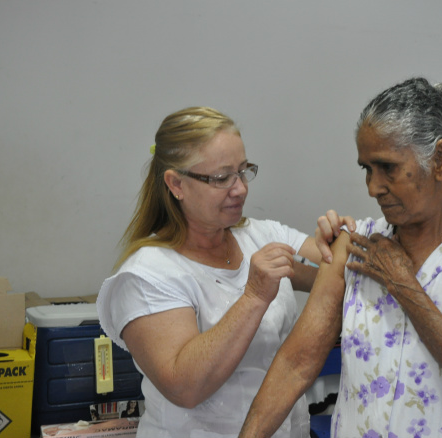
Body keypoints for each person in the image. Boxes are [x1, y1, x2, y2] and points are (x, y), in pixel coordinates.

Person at [239, 78, 442, 438]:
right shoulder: (356, 245)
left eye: (387, 167)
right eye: (366, 169)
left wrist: (403, 283)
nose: (373, 187)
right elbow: (297, 363)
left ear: (439, 160)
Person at [97, 106, 322, 438]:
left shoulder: (260, 235)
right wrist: (254, 296)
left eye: (244, 171)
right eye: (221, 178)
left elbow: (333, 271)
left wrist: (341, 237)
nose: (240, 189)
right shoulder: (148, 275)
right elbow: (185, 387)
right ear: (176, 184)